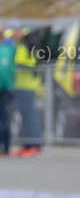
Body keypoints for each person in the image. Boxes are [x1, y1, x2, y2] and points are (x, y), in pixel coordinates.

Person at [12, 27, 44, 157]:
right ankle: (27, 145)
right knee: (26, 117)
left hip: (26, 87)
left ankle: (34, 145)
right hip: (24, 86)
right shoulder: (27, 45)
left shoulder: (26, 47)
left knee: (29, 117)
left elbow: (22, 63)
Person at [0, 30, 14, 156]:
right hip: (6, 87)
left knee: (4, 119)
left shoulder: (7, 49)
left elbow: (4, 72)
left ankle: (5, 147)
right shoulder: (9, 48)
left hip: (4, 89)